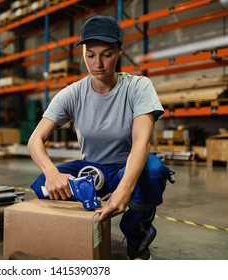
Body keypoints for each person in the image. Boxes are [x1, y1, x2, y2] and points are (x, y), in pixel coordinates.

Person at [27, 15, 174, 260]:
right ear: (82, 52)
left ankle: (137, 233)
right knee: (43, 183)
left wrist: (124, 190)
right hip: (92, 169)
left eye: (107, 54)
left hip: (126, 167)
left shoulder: (138, 87)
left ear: (119, 51)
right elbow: (35, 140)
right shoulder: (71, 93)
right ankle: (82, 228)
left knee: (154, 170)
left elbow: (141, 141)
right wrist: (53, 174)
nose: (98, 63)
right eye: (90, 54)